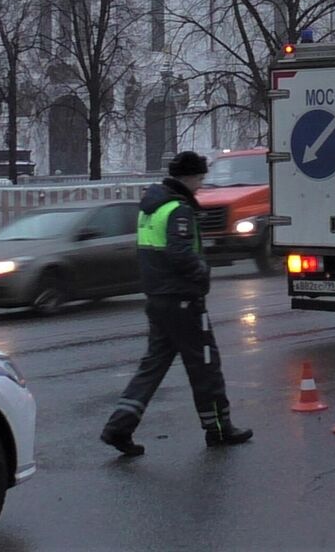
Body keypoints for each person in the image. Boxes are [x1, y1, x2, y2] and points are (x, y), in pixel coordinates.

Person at [100, 150, 252, 456]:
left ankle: (119, 427)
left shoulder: (150, 208)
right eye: (200, 178)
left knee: (152, 366)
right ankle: (219, 429)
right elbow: (180, 253)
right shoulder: (178, 210)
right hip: (183, 299)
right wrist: (202, 272)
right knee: (205, 364)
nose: (201, 185)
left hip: (158, 298)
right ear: (190, 177)